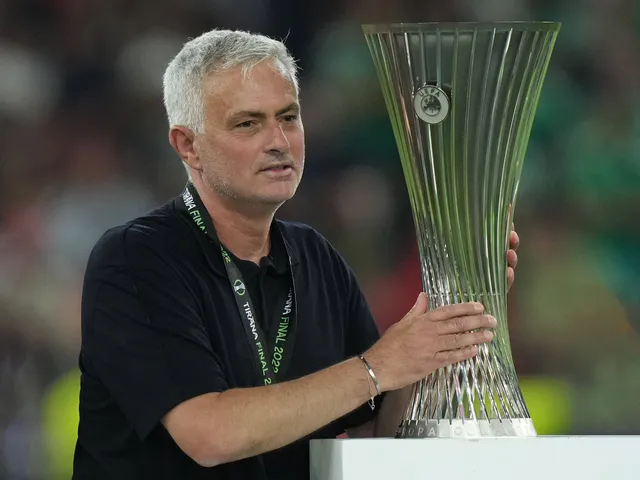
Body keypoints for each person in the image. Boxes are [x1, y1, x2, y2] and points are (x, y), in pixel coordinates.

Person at [72, 29, 520, 480]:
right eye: (248, 124)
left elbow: (374, 432)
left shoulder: (315, 256)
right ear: (188, 145)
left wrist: (449, 323)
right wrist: (378, 366)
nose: (279, 142)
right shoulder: (137, 258)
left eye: (288, 117)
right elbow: (210, 435)